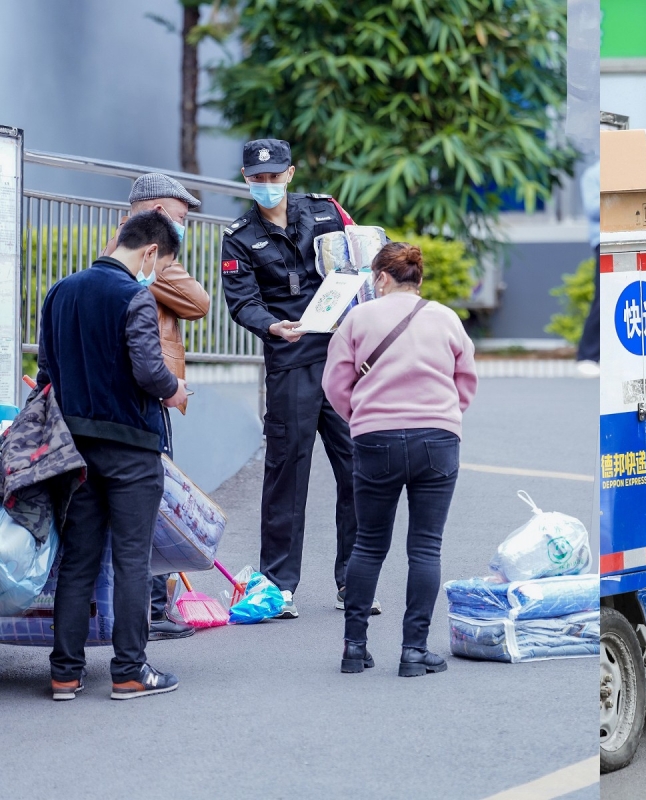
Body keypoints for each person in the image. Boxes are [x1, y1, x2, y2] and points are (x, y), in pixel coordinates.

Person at [221, 138, 373, 619]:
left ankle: (354, 582)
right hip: (290, 362)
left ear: (290, 174)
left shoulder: (327, 212)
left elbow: (364, 262)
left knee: (357, 470)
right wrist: (270, 326)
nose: (266, 186)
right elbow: (241, 301)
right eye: (256, 179)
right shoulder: (239, 237)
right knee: (287, 475)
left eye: (274, 177)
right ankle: (278, 586)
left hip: (342, 360)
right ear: (246, 179)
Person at [39, 211, 189, 701]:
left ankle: (64, 673)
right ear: (150, 252)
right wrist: (176, 390)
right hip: (130, 447)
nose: (156, 274)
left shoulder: (60, 291)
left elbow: (45, 371)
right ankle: (128, 671)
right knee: (131, 560)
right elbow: (149, 371)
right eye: (161, 264)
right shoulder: (134, 296)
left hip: (74, 449)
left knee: (78, 559)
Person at [322, 242, 477, 677]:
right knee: (425, 546)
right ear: (418, 280)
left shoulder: (358, 318)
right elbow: (466, 379)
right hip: (437, 438)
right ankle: (414, 650)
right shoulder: (445, 317)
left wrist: (362, 418)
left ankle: (354, 648)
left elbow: (335, 382)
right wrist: (445, 416)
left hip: (376, 439)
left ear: (382, 278)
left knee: (368, 544)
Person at [103, 173, 211, 641]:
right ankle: (149, 609)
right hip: (147, 394)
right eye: (178, 220)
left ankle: (148, 606)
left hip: (125, 397)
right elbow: (199, 301)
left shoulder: (113, 264)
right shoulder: (137, 260)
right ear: (156, 215)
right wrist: (172, 388)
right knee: (148, 503)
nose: (180, 233)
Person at [576, 159, 601, 376]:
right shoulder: (594, 174)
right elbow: (592, 209)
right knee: (603, 298)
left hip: (628, 238)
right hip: (604, 241)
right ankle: (587, 355)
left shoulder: (626, 169)